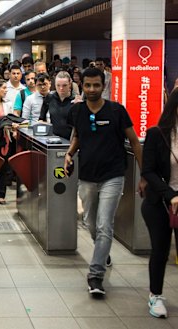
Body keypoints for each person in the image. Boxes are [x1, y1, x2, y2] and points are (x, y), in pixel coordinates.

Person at [64, 68, 142, 296]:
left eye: (96, 85)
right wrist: (69, 153)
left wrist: (145, 174)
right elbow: (78, 135)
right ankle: (103, 251)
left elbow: (135, 142)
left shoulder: (117, 111)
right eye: (87, 85)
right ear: (83, 85)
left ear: (103, 85)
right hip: (87, 175)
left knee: (104, 224)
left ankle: (95, 276)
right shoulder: (77, 110)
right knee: (90, 222)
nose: (91, 90)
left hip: (113, 175)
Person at [140, 89, 178, 318]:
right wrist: (170, 194)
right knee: (161, 250)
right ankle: (155, 295)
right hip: (159, 202)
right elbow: (148, 171)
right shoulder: (157, 134)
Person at [39, 71, 78, 139]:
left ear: (70, 84)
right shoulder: (49, 98)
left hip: (70, 140)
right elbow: (41, 119)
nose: (61, 88)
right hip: (53, 139)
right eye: (58, 85)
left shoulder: (75, 101)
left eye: (64, 85)